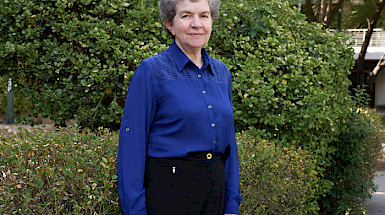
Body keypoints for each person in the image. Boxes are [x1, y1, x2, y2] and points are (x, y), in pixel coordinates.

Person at [117, 0, 241, 214]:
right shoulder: (151, 71)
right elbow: (132, 146)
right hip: (170, 193)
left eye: (204, 16)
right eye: (186, 16)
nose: (196, 24)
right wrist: (135, 210)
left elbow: (229, 144)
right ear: (169, 24)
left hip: (215, 195)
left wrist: (231, 205)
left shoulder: (222, 73)